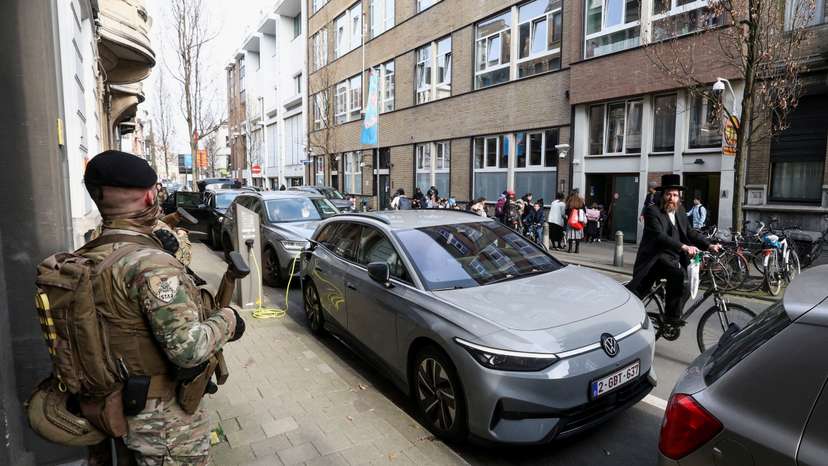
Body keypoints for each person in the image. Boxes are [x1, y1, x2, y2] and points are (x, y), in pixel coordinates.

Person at [81, 150, 244, 465]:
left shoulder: (87, 253)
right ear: (148, 196)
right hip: (162, 427)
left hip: (105, 408)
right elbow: (188, 348)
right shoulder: (150, 265)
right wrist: (229, 320)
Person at [627, 174, 721, 326]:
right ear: (663, 194)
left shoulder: (680, 210)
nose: (672, 198)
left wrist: (709, 245)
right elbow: (660, 236)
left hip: (672, 257)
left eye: (675, 195)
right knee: (644, 290)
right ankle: (670, 317)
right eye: (668, 194)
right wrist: (684, 247)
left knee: (686, 282)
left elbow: (690, 232)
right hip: (655, 257)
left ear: (679, 197)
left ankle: (673, 311)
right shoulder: (652, 211)